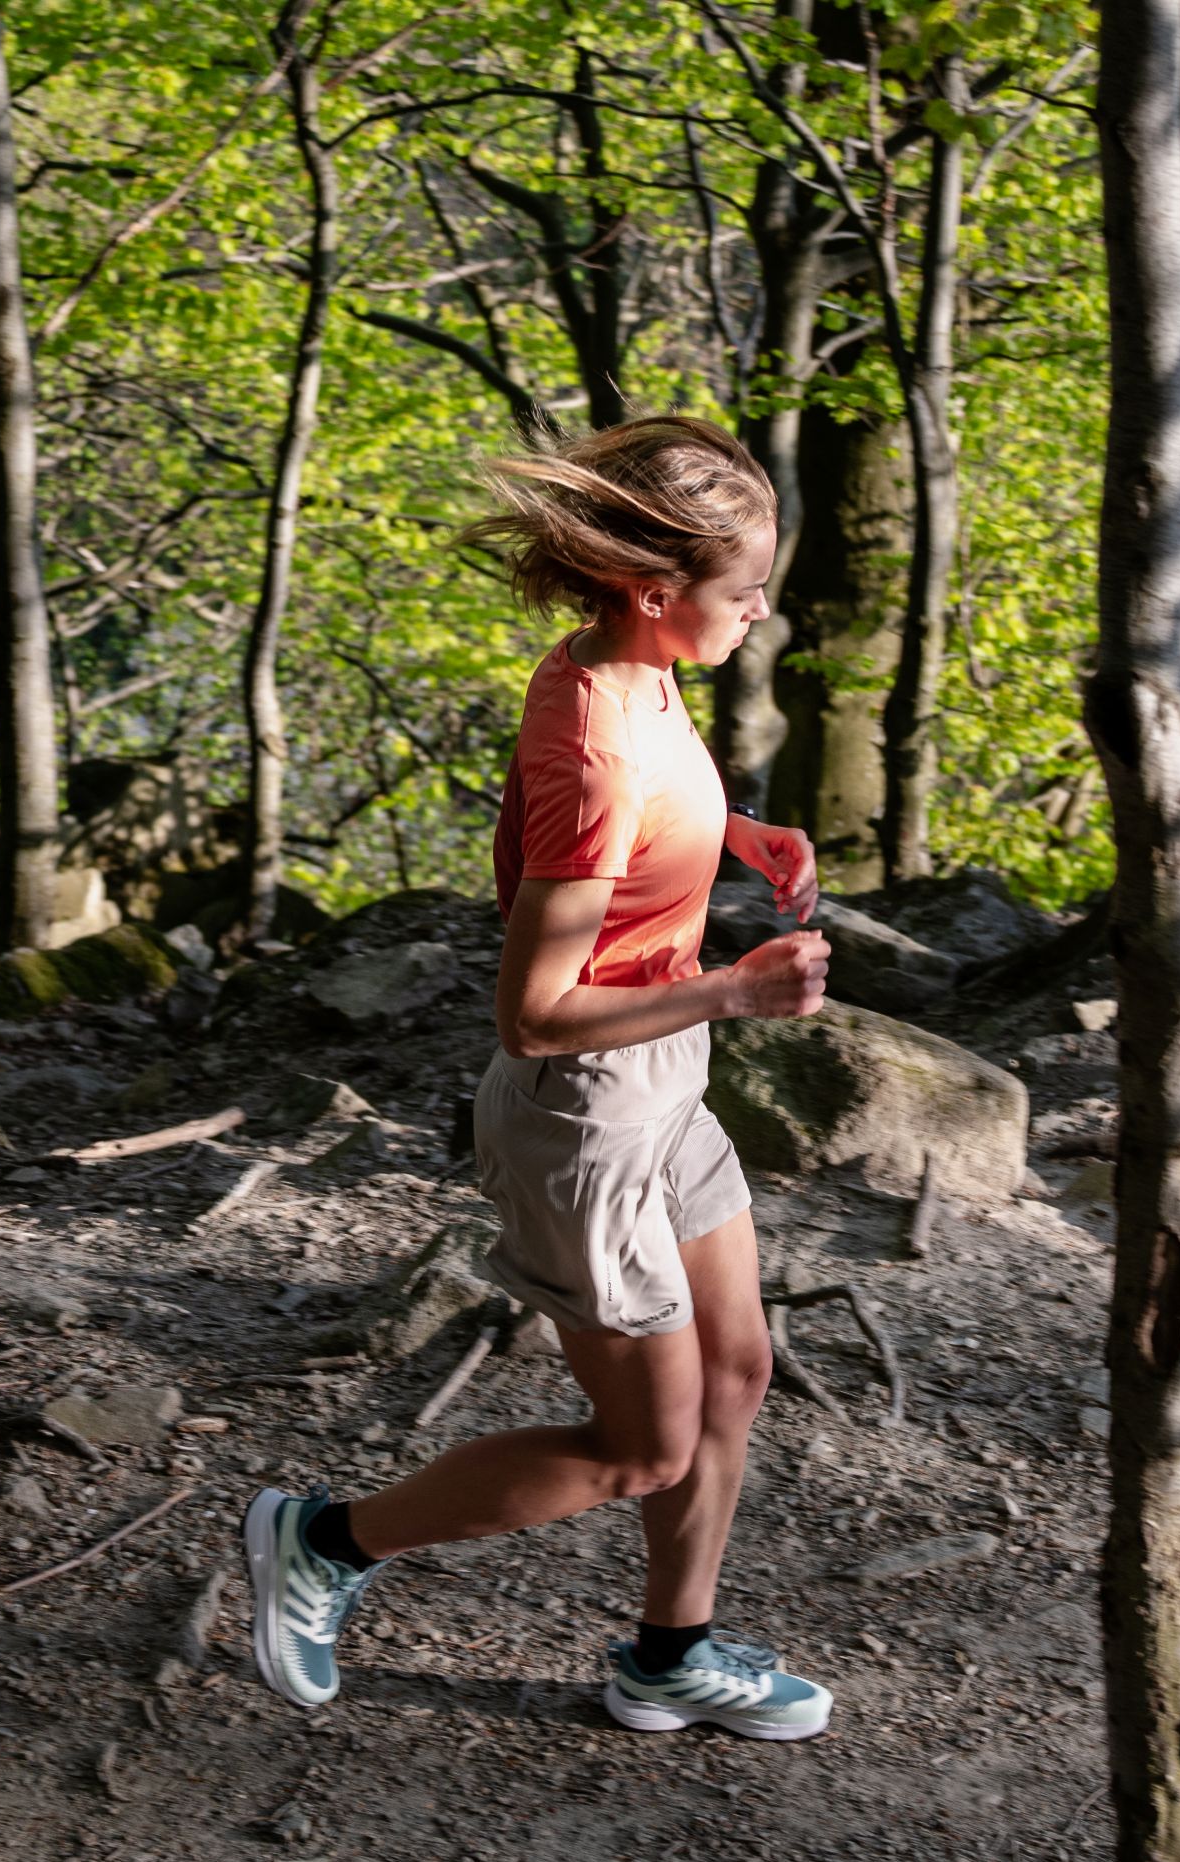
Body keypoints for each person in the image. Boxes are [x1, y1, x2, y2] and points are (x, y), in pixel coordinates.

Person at [238, 415, 840, 1740]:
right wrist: (741, 989)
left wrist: (729, 833)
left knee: (737, 1370)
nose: (760, 615)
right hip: (586, 1114)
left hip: (662, 1082)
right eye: (745, 592)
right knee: (642, 1449)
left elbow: (637, 825)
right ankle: (325, 1542)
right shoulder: (596, 748)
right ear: (652, 588)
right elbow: (535, 1016)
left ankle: (672, 1655)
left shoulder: (621, 671)